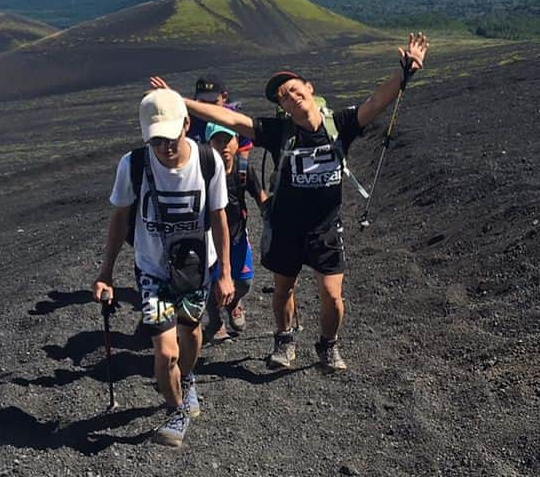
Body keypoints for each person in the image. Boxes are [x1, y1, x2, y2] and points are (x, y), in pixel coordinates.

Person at [150, 31, 429, 373]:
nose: (291, 96)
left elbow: (376, 102)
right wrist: (179, 102)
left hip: (326, 228)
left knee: (332, 296)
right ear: (281, 107)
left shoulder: (339, 125)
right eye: (283, 96)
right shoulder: (277, 131)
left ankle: (328, 345)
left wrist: (405, 72)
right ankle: (284, 339)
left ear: (309, 89)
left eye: (295, 89)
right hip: (285, 227)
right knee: (284, 289)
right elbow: (232, 119)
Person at [92, 88, 234, 447]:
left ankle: (187, 380)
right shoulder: (133, 165)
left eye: (170, 139)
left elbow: (219, 218)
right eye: (156, 141)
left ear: (187, 125)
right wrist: (105, 273)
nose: (165, 149)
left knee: (191, 333)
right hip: (152, 270)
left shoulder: (208, 162)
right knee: (166, 350)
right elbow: (120, 217)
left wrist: (226, 273)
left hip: (197, 269)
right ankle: (176, 411)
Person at [202, 120, 268, 341]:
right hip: (210, 240)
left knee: (244, 282)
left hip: (237, 236)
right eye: (217, 141)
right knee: (211, 282)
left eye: (227, 140)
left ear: (237, 141)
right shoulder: (203, 173)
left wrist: (275, 219)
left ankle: (233, 303)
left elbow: (261, 197)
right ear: (208, 144)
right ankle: (215, 322)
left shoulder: (243, 169)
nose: (223, 146)